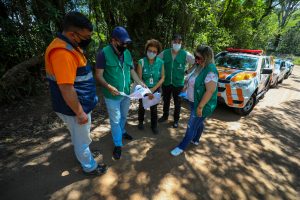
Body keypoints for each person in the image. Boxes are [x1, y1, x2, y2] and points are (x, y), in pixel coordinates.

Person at [45, 12, 107, 175]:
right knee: (81, 140)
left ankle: (84, 156)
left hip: (80, 104)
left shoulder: (71, 45)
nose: (88, 39)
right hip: (74, 108)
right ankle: (90, 166)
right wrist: (79, 113)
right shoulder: (62, 53)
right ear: (73, 34)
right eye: (85, 36)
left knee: (81, 137)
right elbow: (66, 88)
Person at [95, 26, 144, 160]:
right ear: (113, 41)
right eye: (123, 43)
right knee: (115, 119)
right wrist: (109, 86)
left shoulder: (127, 53)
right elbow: (98, 75)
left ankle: (122, 132)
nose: (125, 45)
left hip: (126, 94)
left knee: (123, 116)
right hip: (112, 95)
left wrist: (140, 82)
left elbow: (131, 70)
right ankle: (118, 144)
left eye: (127, 43)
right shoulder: (103, 53)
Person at [170, 45, 218, 156]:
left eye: (199, 57)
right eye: (195, 57)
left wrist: (200, 107)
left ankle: (181, 147)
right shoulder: (200, 65)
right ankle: (196, 140)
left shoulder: (211, 71)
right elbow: (192, 79)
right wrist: (186, 87)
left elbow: (210, 91)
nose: (196, 60)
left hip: (201, 104)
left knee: (191, 125)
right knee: (198, 123)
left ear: (207, 57)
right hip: (193, 101)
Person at [158, 34, 195, 128]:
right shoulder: (165, 53)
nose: (177, 43)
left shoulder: (185, 54)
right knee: (166, 100)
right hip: (166, 82)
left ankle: (176, 120)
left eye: (179, 42)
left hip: (178, 83)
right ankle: (165, 116)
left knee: (177, 103)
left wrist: (187, 71)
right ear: (172, 42)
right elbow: (156, 62)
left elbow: (196, 63)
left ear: (181, 43)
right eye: (175, 41)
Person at [136, 39, 165, 134]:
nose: (151, 53)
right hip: (144, 88)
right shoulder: (141, 62)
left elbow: (163, 77)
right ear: (146, 50)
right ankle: (140, 122)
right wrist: (147, 91)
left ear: (157, 52)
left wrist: (153, 89)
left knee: (154, 107)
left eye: (154, 51)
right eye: (150, 51)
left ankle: (154, 125)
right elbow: (139, 79)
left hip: (156, 88)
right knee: (142, 106)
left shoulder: (161, 62)